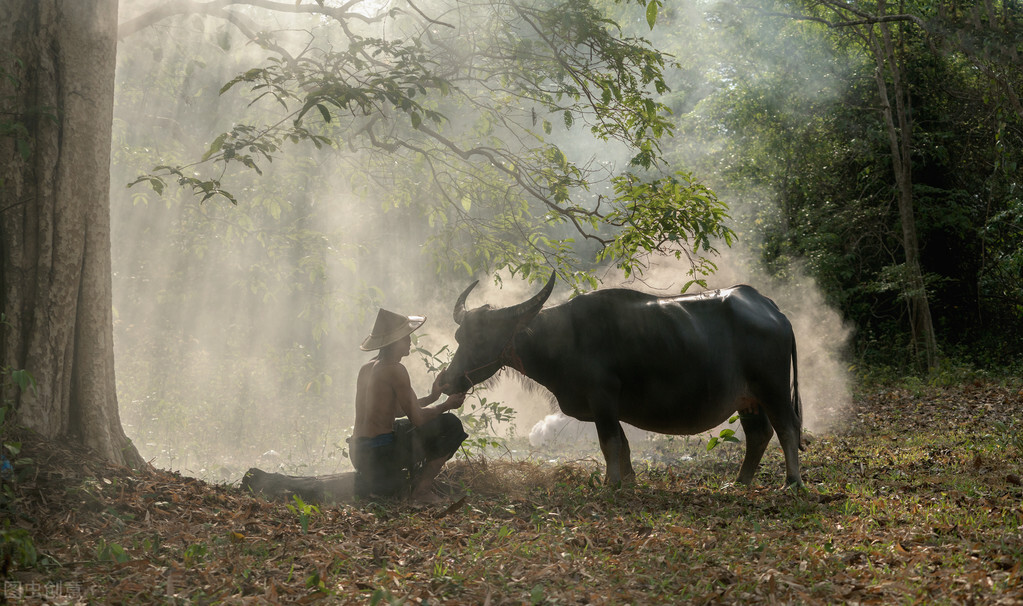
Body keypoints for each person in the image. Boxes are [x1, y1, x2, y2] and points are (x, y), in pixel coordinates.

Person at [350, 308, 468, 503]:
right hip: (379, 455)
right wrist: (446, 405)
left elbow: (396, 411)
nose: (410, 342)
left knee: (404, 426)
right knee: (451, 424)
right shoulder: (395, 369)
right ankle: (422, 491)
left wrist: (432, 397)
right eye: (406, 338)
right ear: (395, 342)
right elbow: (418, 419)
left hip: (359, 453)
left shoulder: (367, 368)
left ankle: (405, 482)